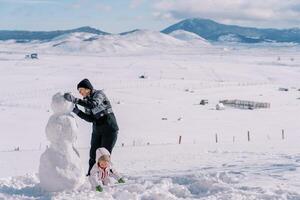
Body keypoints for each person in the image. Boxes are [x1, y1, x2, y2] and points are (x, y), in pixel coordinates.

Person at [64, 78, 119, 176]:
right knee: (93, 154)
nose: (80, 93)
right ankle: (91, 176)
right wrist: (77, 111)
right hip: (97, 130)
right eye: (79, 91)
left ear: (88, 88)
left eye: (81, 90)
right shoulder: (86, 101)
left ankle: (106, 176)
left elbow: (93, 105)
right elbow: (90, 118)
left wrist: (75, 100)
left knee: (103, 156)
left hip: (109, 129)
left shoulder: (99, 94)